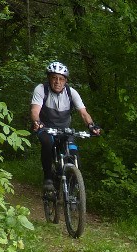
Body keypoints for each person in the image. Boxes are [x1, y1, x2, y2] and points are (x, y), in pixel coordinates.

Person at [30, 61, 101, 194]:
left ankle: (73, 191)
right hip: (46, 128)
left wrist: (91, 126)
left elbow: (83, 113)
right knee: (47, 143)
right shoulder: (41, 89)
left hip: (64, 130)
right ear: (49, 78)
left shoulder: (71, 92)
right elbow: (35, 111)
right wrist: (37, 122)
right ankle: (48, 179)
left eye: (61, 79)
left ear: (65, 81)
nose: (58, 82)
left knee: (74, 155)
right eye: (54, 78)